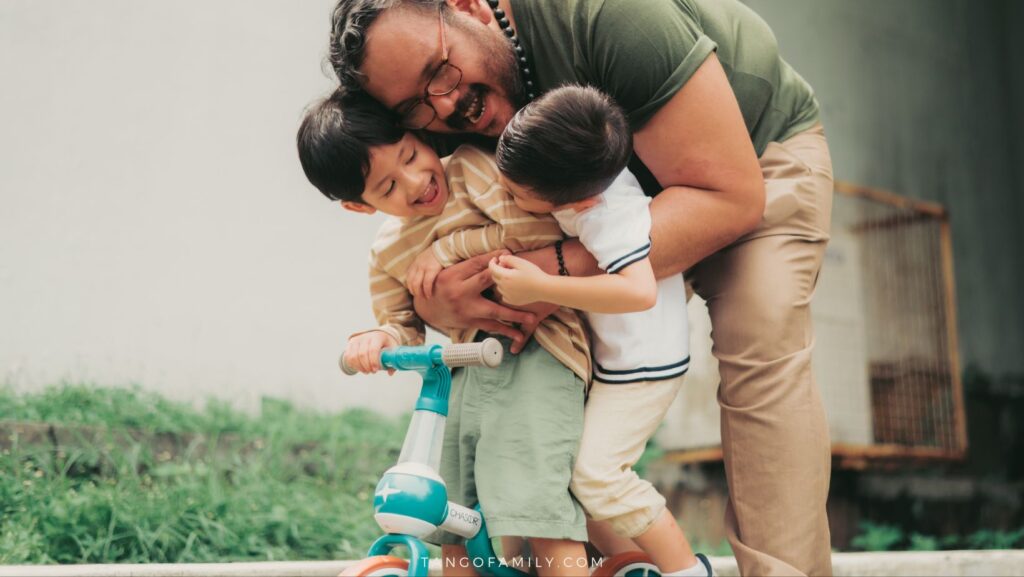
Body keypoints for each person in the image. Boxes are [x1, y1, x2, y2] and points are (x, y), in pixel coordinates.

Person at [327, 0, 835, 575]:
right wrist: (434, 298)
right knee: (562, 422)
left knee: (758, 344)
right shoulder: (438, 120)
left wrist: (550, 277)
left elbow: (731, 199)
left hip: (746, 163)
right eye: (416, 107)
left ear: (467, 7)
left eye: (437, 70)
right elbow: (438, 235)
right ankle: (615, 563)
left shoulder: (610, 15)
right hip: (590, 217)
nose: (443, 104)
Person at [295, 90, 591, 576]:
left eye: (411, 156)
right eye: (388, 187)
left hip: (539, 350)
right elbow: (402, 328)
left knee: (536, 509)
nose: (415, 182)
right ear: (360, 206)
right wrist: (379, 340)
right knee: (452, 516)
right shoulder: (387, 253)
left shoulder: (471, 169)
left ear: (418, 136)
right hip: (463, 376)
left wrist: (449, 249)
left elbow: (536, 233)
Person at [489, 85, 710, 577]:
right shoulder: (588, 173)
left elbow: (639, 292)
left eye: (516, 193)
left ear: (581, 199)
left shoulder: (608, 216)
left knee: (598, 474)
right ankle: (620, 563)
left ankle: (685, 570)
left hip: (644, 369)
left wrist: (544, 286)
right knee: (573, 470)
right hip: (623, 360)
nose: (507, 194)